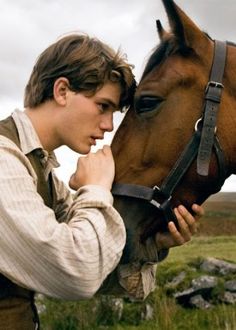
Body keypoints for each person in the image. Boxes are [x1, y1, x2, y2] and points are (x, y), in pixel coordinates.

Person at [0, 33, 204, 329]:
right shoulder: (4, 161)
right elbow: (76, 273)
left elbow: (97, 264)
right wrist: (95, 189)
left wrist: (151, 243)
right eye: (102, 106)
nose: (109, 126)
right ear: (62, 91)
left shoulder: (38, 168)